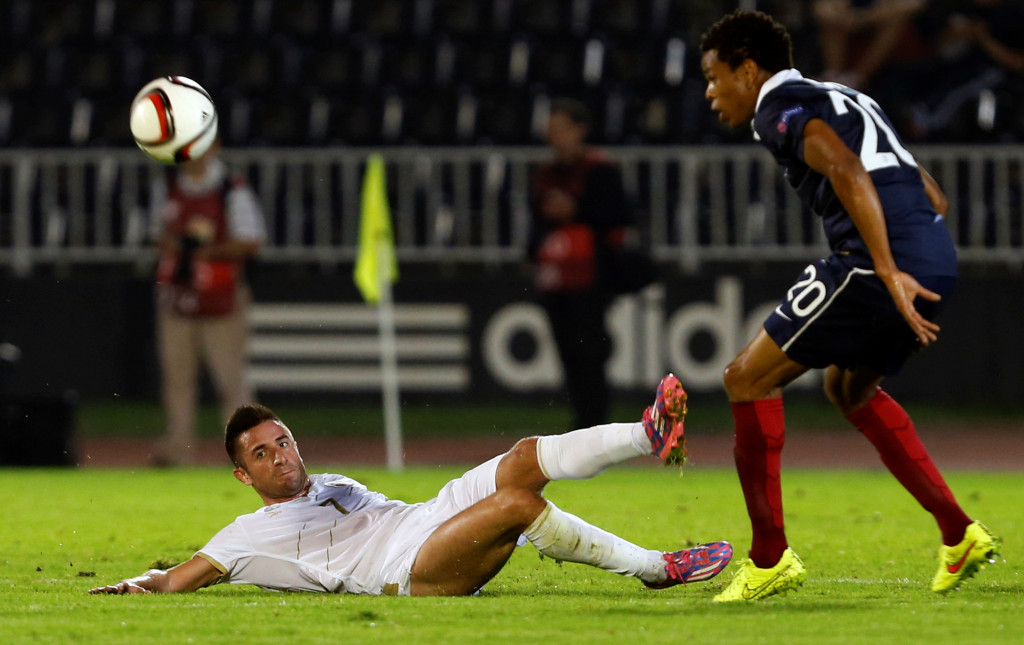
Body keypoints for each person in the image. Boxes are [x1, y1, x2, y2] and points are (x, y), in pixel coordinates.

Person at [698, 10, 1000, 602]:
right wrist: (913, 255)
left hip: (878, 266)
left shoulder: (777, 109)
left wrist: (886, 268)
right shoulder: (845, 96)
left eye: (714, 77)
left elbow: (843, 166)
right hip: (935, 257)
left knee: (745, 379)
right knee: (848, 389)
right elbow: (930, 192)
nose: (710, 92)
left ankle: (768, 560)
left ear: (749, 70)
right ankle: (958, 533)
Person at [89, 375, 730, 596]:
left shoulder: (331, 483)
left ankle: (649, 433)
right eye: (261, 454)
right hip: (406, 570)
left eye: (282, 441)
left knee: (523, 457)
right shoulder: (245, 535)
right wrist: (133, 585)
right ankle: (654, 569)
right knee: (518, 504)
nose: (280, 457)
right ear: (242, 475)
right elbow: (173, 579)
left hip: (429, 516)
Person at [150, 138, 265, 466]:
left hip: (221, 298)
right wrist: (177, 245)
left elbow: (252, 241)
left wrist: (207, 251)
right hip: (178, 297)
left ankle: (250, 453)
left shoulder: (231, 188)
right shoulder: (169, 186)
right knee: (176, 379)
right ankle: (178, 451)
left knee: (230, 380)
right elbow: (155, 232)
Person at [528, 98, 634, 430]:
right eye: (551, 130)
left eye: (561, 128)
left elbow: (618, 216)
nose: (555, 136)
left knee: (590, 350)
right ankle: (581, 418)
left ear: (580, 130)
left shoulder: (599, 170)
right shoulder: (545, 174)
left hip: (591, 276)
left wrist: (575, 209)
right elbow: (535, 224)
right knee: (567, 352)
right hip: (556, 278)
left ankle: (594, 419)